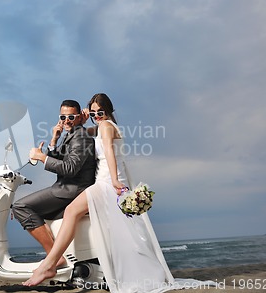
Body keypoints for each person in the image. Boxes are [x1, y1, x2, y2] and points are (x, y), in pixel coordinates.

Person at [23, 93, 174, 292]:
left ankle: (49, 265)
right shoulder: (106, 126)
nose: (97, 116)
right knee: (118, 231)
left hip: (105, 182)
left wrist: (113, 180)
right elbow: (83, 133)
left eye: (100, 112)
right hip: (105, 180)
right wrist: (78, 123)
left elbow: (109, 152)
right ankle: (53, 262)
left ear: (109, 111)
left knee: (71, 212)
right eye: (93, 113)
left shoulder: (105, 126)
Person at [12, 99, 96, 267]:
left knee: (20, 207)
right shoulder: (71, 134)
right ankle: (60, 254)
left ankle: (54, 257)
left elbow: (70, 168)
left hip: (71, 190)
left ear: (80, 117)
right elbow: (61, 158)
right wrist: (53, 140)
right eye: (62, 117)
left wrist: (42, 157)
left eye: (71, 117)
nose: (66, 121)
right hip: (65, 188)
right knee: (29, 210)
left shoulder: (81, 138)